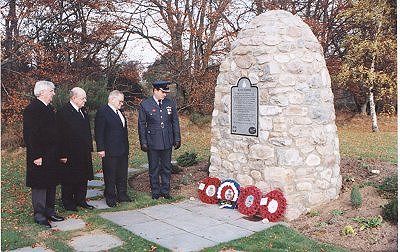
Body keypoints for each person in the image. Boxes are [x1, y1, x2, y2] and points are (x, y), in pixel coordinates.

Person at [23, 80, 64, 228]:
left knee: (51, 182)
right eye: (51, 91)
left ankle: (50, 211)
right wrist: (36, 156)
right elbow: (30, 135)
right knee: (40, 185)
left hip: (52, 154)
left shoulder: (49, 108)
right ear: (42, 92)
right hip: (39, 155)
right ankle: (39, 215)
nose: (53, 93)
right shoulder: (32, 109)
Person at [138, 80, 181, 199]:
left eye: (166, 92)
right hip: (152, 141)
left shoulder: (170, 103)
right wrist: (143, 142)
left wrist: (177, 138)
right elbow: (141, 124)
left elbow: (175, 121)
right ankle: (155, 191)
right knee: (154, 168)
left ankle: (165, 191)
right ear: (155, 91)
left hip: (167, 140)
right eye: (163, 92)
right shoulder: (145, 104)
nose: (165, 94)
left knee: (167, 167)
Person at [56, 87, 95, 211]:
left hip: (83, 151)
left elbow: (86, 131)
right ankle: (68, 202)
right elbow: (59, 135)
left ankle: (81, 200)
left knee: (83, 177)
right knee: (69, 178)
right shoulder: (63, 112)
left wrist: (89, 147)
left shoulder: (82, 111)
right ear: (74, 98)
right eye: (83, 98)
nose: (85, 100)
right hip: (69, 152)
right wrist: (62, 154)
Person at [95, 90, 131, 207]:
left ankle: (122, 195)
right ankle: (110, 197)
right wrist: (101, 149)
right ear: (112, 99)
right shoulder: (103, 112)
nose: (122, 104)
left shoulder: (120, 112)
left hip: (122, 149)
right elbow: (99, 132)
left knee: (122, 173)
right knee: (110, 175)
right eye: (120, 101)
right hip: (109, 150)